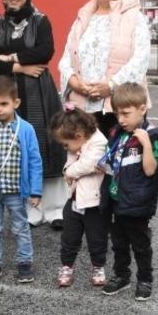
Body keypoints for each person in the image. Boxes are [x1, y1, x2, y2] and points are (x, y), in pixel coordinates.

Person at [0, 0, 68, 228]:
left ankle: (55, 209)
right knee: (18, 148)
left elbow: (45, 52)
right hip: (9, 95)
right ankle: (31, 209)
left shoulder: (41, 20)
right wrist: (18, 67)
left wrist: (8, 57)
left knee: (47, 144)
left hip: (40, 93)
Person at [58, 0, 151, 133]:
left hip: (120, 107)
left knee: (120, 158)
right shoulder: (83, 17)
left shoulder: (134, 17)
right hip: (83, 108)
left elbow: (141, 58)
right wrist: (75, 83)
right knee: (86, 158)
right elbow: (66, 59)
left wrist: (111, 86)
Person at [0, 75, 43, 284]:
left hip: (15, 190)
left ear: (16, 103)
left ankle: (25, 263)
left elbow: (35, 161)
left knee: (20, 227)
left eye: (3, 104)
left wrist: (35, 190)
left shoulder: (26, 129)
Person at [100, 82, 158, 301]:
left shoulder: (153, 134)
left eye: (126, 114)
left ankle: (145, 279)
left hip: (137, 202)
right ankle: (121, 275)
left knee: (140, 244)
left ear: (142, 108)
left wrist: (146, 144)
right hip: (116, 199)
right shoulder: (117, 132)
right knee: (118, 242)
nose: (121, 119)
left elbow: (150, 169)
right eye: (117, 113)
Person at [50, 105, 109, 289]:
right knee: (69, 237)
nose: (65, 148)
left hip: (94, 202)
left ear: (78, 135)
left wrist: (70, 172)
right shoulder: (77, 145)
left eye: (65, 144)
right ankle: (67, 266)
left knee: (97, 238)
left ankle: (98, 267)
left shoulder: (98, 141)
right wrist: (69, 170)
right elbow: (68, 167)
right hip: (74, 200)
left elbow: (88, 164)